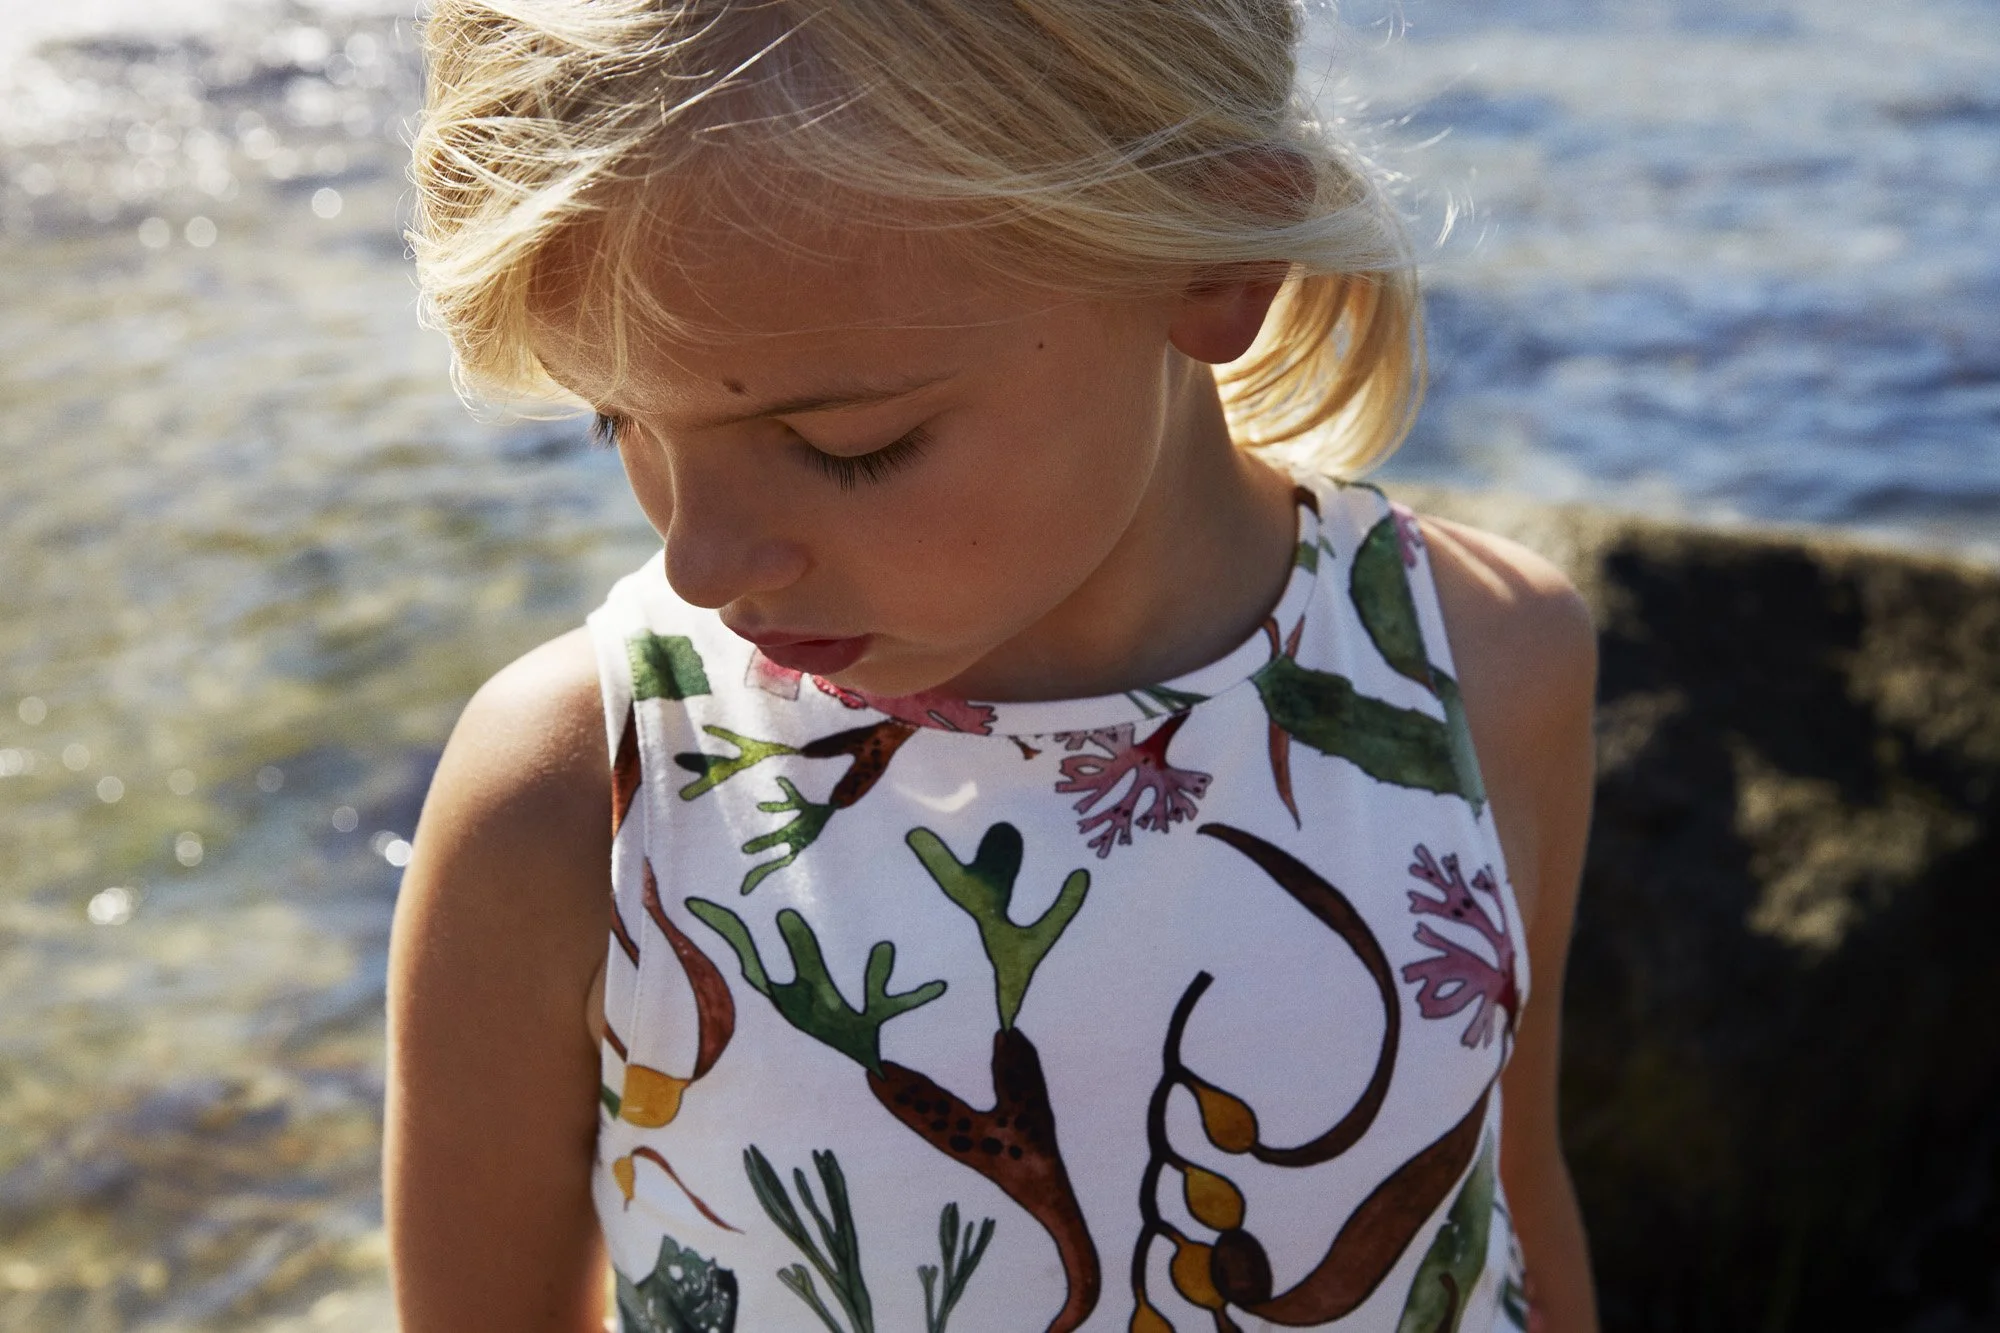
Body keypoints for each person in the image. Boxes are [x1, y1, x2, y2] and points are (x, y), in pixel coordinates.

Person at [385, 2, 1600, 1330]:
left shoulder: (1474, 665)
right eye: (618, 418)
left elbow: (1509, 1209)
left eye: (846, 446)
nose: (701, 563)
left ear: (1216, 262)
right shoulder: (585, 794)